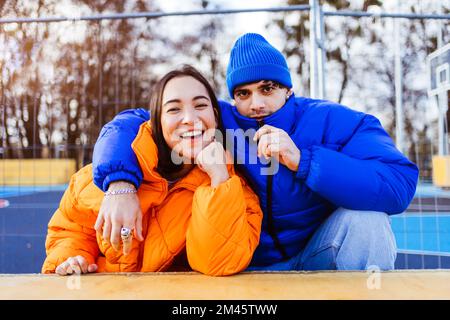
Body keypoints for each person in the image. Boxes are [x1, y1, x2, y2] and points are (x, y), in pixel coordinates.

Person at [91, 33, 419, 271]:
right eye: (243, 93)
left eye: (267, 88)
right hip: (245, 264)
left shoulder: (332, 120)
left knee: (368, 222)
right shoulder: (222, 118)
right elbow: (131, 123)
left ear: (288, 88)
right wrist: (120, 184)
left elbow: (398, 183)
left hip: (317, 250)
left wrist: (304, 160)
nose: (256, 103)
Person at [41, 65, 263, 276]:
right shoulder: (100, 175)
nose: (189, 119)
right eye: (174, 109)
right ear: (157, 120)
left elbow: (219, 262)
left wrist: (219, 178)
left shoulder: (236, 192)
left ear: (215, 116)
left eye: (200, 106)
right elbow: (71, 231)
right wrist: (72, 258)